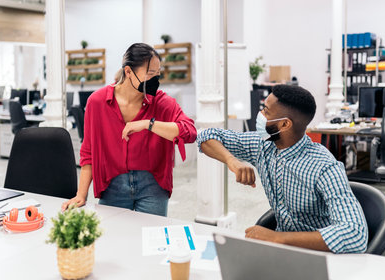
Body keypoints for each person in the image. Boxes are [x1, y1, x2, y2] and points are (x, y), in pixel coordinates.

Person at [197, 84, 368, 253]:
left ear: (285, 125)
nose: (260, 115)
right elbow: (206, 136)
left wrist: (277, 238)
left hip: (318, 254)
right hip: (282, 252)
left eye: (266, 111)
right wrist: (231, 161)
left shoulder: (324, 166)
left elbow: (355, 233)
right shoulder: (263, 145)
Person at [62, 43, 197, 216]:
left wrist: (149, 124)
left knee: (150, 238)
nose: (155, 79)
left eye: (157, 74)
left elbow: (190, 132)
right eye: (150, 74)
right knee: (115, 239)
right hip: (113, 185)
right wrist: (81, 194)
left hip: (153, 186)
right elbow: (88, 151)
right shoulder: (97, 102)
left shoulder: (162, 103)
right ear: (128, 72)